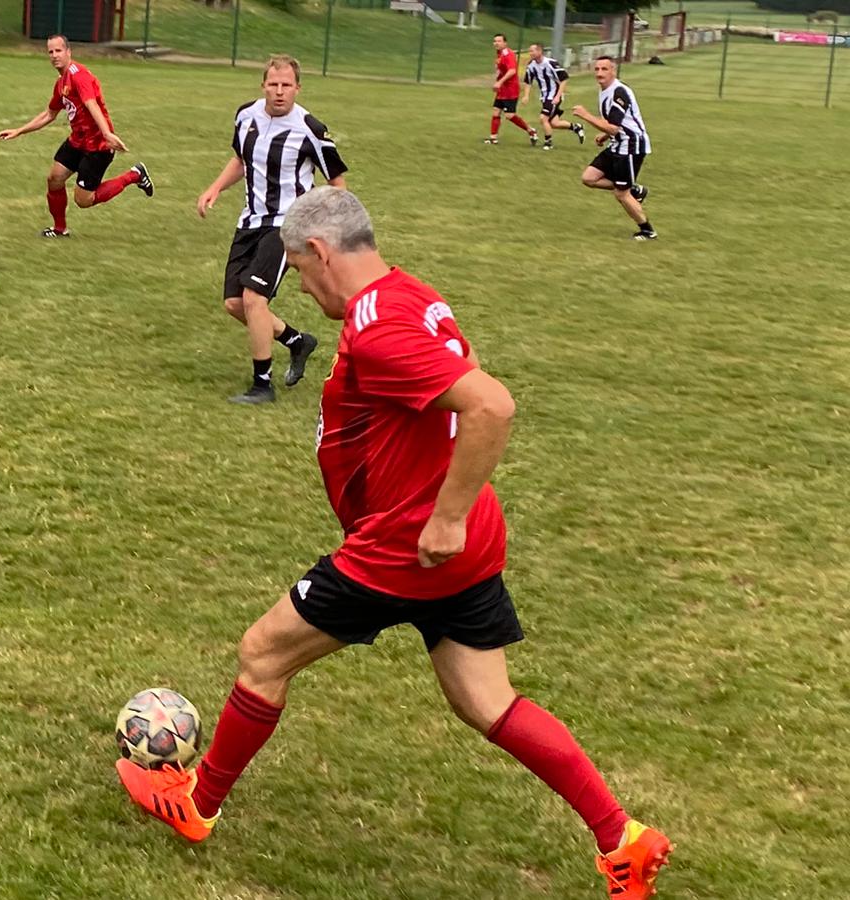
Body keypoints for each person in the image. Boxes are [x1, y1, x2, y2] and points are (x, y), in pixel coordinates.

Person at [115, 187, 675, 900]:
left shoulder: (378, 327)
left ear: (321, 253)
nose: (301, 286)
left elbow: (491, 404)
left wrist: (444, 516)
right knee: (486, 701)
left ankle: (197, 805)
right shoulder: (411, 294)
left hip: (405, 548)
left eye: (298, 268)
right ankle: (623, 839)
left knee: (263, 654)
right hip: (463, 547)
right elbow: (463, 376)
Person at [196, 54, 343, 405]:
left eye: (286, 85)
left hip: (288, 224)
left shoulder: (311, 129)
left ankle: (262, 385)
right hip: (250, 221)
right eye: (273, 84)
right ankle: (297, 341)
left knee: (254, 298)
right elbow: (240, 160)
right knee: (235, 304)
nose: (279, 91)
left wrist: (332, 229)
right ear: (263, 85)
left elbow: (337, 182)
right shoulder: (245, 116)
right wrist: (215, 188)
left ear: (297, 88)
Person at [0, 35, 152, 238]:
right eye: (50, 52)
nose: (54, 55)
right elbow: (49, 114)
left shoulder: (79, 75)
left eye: (58, 51)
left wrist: (107, 134)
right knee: (54, 178)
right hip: (78, 140)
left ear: (69, 52)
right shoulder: (61, 83)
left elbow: (91, 104)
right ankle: (60, 229)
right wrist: (19, 130)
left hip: (97, 145)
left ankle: (135, 175)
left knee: (83, 200)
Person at [572, 56, 656, 240]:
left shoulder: (619, 92)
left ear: (613, 71)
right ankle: (634, 189)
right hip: (617, 143)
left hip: (631, 145)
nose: (599, 73)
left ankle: (647, 230)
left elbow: (613, 127)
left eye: (604, 69)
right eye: (597, 69)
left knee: (621, 194)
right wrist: (605, 135)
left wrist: (586, 115)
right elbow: (616, 124)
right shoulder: (605, 90)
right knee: (589, 178)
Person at [521, 43, 586, 150]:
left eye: (532, 51)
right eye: (530, 51)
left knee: (543, 118)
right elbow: (528, 81)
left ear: (539, 51)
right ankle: (576, 127)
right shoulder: (531, 65)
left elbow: (564, 79)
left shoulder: (551, 63)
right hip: (544, 97)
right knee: (554, 123)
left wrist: (558, 96)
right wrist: (526, 95)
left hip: (553, 96)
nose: (530, 53)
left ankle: (548, 143)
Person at [486, 34, 538, 146]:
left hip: (510, 89)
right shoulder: (499, 54)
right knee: (496, 111)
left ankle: (531, 130)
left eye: (499, 41)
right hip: (502, 89)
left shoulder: (508, 54)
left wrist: (500, 82)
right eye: (495, 41)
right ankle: (493, 138)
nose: (496, 43)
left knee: (509, 115)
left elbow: (512, 71)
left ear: (505, 43)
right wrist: (497, 80)